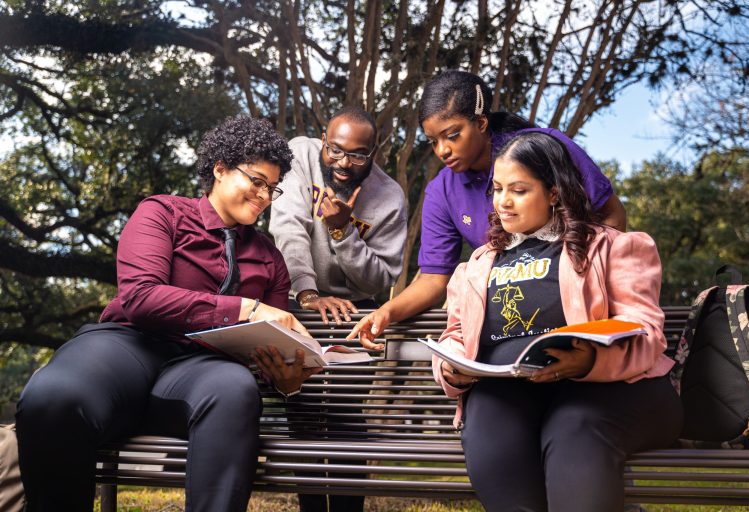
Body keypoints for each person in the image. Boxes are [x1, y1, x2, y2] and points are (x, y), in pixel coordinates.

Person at [15, 116, 320, 512]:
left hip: (203, 370)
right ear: (220, 168)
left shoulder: (270, 258)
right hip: (124, 346)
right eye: (257, 181)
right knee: (53, 396)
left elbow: (269, 340)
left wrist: (286, 379)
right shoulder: (162, 213)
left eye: (272, 188)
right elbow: (142, 297)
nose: (264, 195)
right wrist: (243, 306)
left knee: (235, 389)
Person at [431, 131, 682, 512]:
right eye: (497, 189)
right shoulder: (477, 265)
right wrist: (450, 369)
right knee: (485, 414)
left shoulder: (613, 247)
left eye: (518, 190)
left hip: (607, 391)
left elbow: (646, 334)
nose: (502, 202)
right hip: (514, 393)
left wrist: (591, 361)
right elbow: (455, 334)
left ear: (553, 192)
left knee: (573, 425)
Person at [348, 70, 627, 348]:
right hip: (508, 319)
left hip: (575, 308)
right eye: (434, 141)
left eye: (452, 135)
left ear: (481, 123)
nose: (442, 150)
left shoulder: (544, 148)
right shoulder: (441, 191)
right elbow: (434, 280)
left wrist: (586, 284)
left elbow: (612, 216)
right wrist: (387, 311)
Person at [269, 106, 407, 325]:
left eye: (358, 155)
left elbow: (379, 280)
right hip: (296, 294)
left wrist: (342, 231)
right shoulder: (300, 155)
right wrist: (307, 294)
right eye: (335, 150)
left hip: (354, 308)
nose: (343, 163)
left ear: (373, 152)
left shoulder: (391, 198)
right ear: (323, 140)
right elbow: (289, 228)